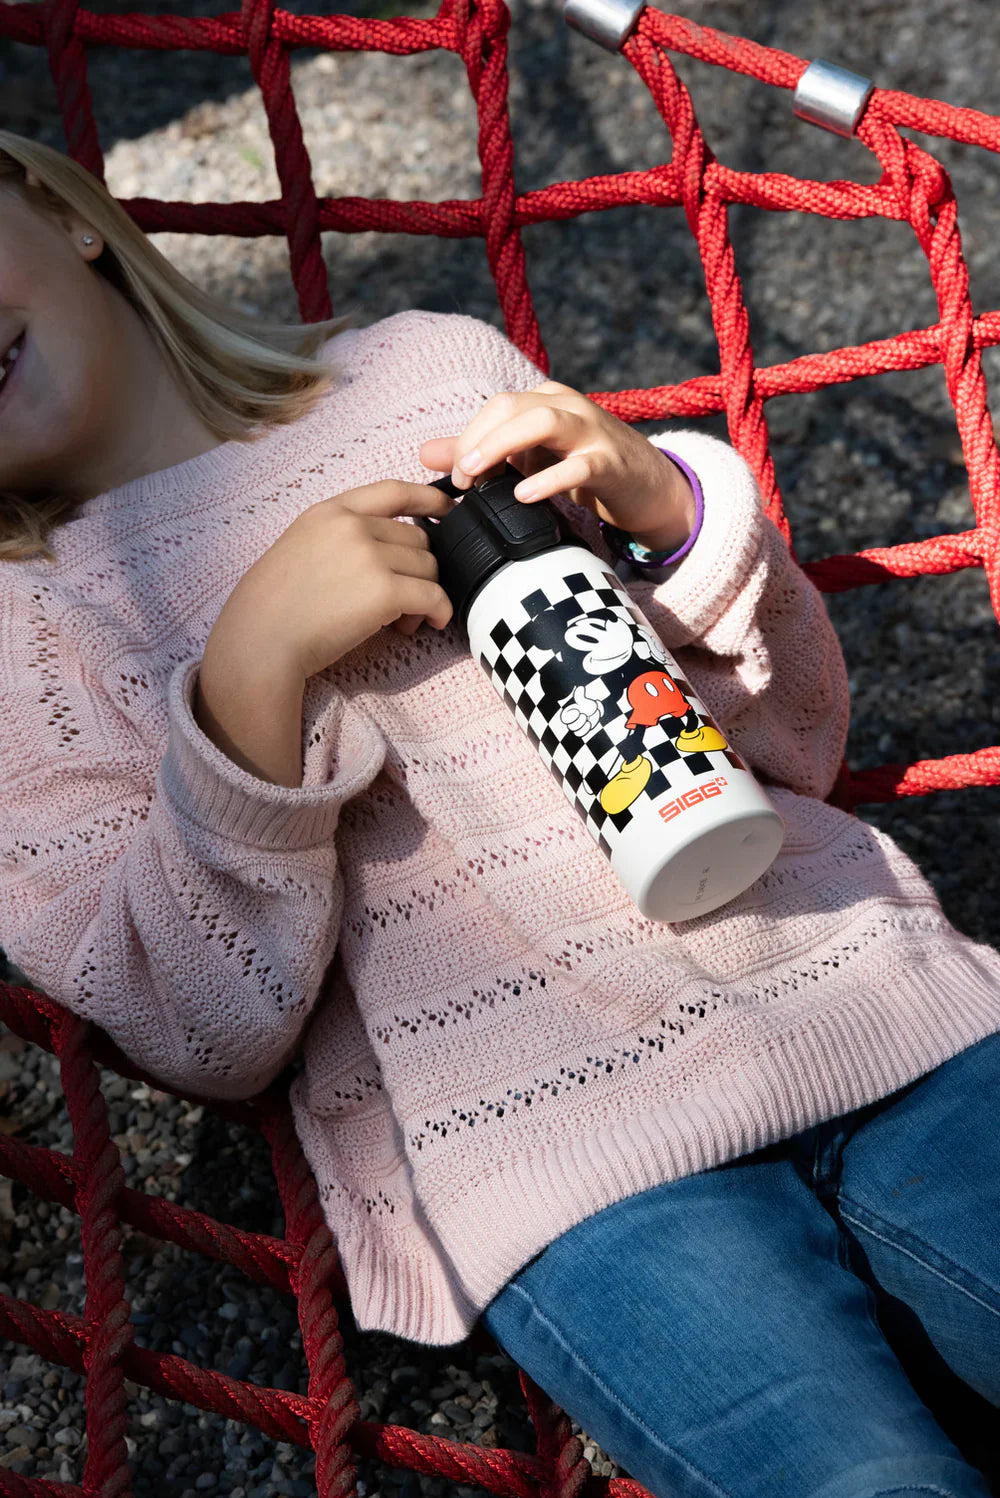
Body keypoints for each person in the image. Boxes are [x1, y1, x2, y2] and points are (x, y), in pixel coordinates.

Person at [0, 129, 998, 1498]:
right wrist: (249, 680)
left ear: (56, 204)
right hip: (568, 1162)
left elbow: (793, 738)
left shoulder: (426, 375)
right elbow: (194, 1029)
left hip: (864, 996)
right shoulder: (27, 641)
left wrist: (665, 511)